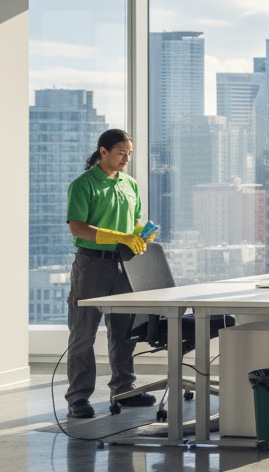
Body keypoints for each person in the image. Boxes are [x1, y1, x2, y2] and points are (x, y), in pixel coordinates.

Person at [65, 129, 157, 418]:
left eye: (129, 154)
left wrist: (141, 233)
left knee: (124, 332)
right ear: (103, 151)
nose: (126, 159)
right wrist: (120, 236)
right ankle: (78, 398)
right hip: (92, 265)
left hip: (125, 265)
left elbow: (135, 220)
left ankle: (124, 390)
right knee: (84, 334)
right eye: (121, 153)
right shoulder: (83, 185)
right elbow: (78, 228)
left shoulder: (130, 184)